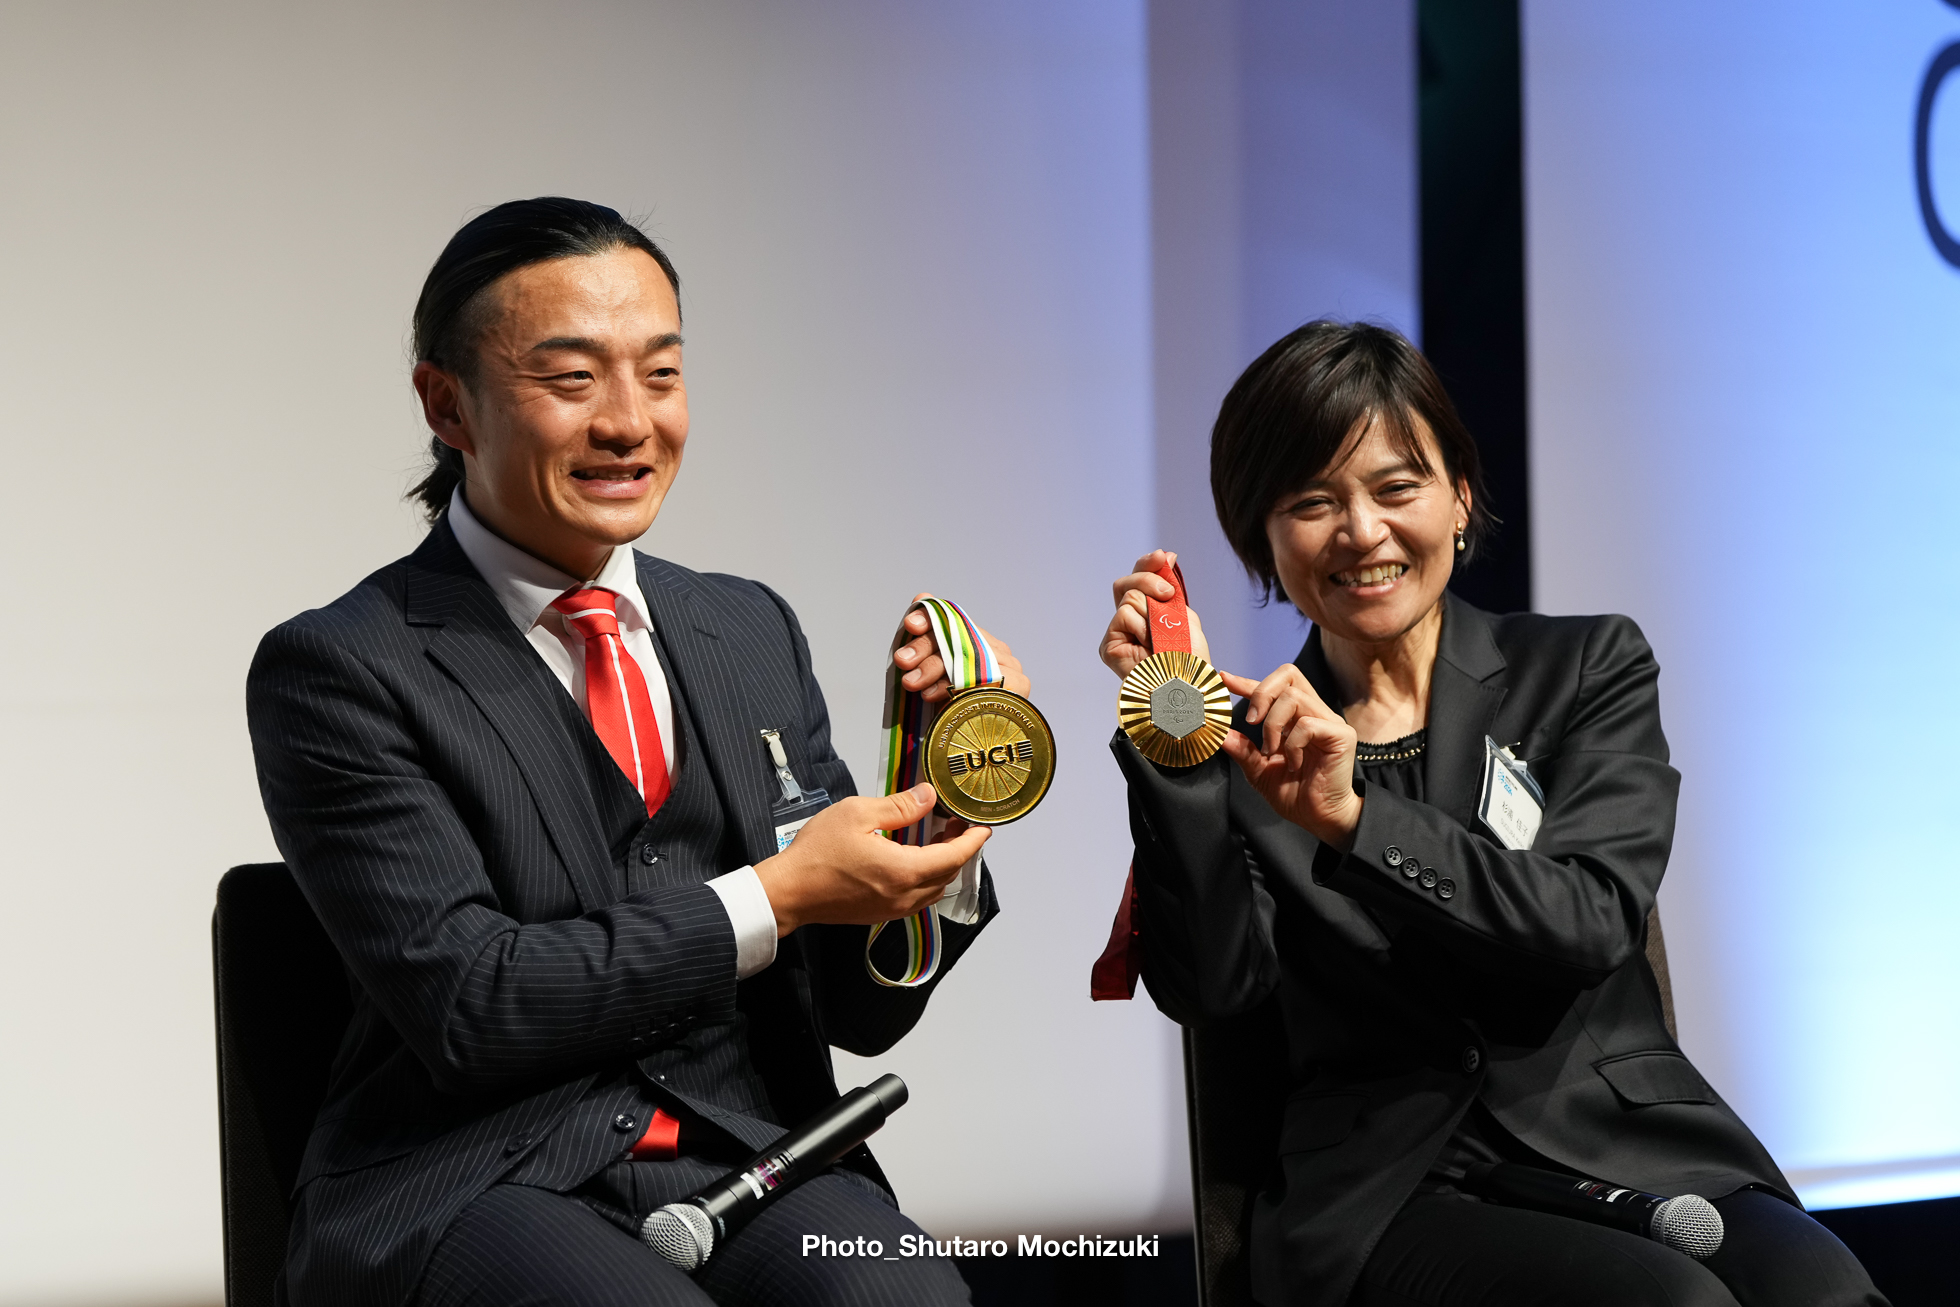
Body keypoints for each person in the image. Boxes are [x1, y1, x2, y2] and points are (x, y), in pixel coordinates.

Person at [247, 197, 1025, 1307]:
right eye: (572, 380)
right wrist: (773, 895)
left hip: (750, 1154)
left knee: (909, 1299)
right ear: (447, 403)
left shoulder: (747, 628)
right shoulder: (341, 666)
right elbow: (471, 1003)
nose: (628, 422)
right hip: (475, 1173)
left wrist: (938, 808)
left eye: (659, 375)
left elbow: (857, 1012)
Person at [1097, 321, 1885, 1307]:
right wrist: (1169, 741)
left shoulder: (1583, 668)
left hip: (1620, 1137)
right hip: (1394, 1191)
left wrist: (1353, 820)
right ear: (1262, 535)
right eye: (1311, 501)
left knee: (1821, 1286)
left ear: (1459, 497)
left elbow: (1588, 917)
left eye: (1396, 486)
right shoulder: (1252, 748)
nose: (1361, 532)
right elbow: (1212, 989)